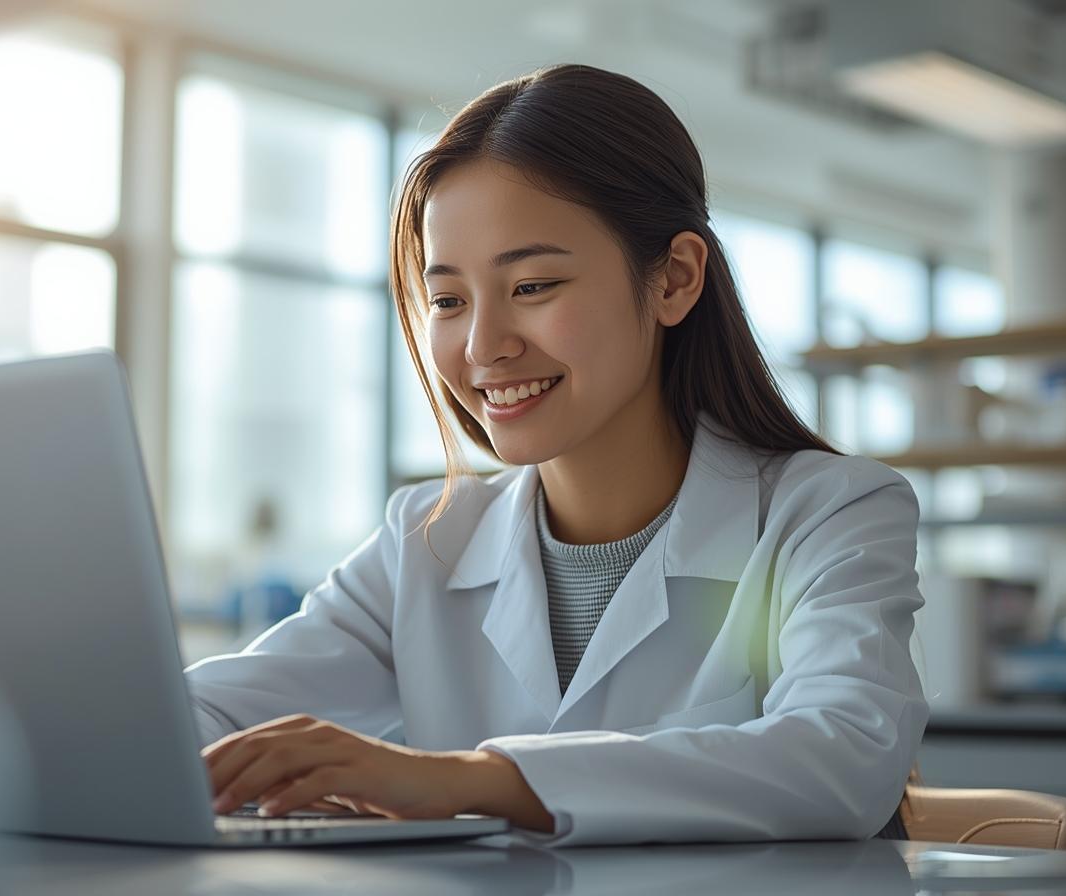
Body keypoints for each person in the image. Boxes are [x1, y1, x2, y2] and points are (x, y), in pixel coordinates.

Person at [185, 63, 925, 847]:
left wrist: (463, 781)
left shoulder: (829, 512)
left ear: (675, 280)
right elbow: (200, 717)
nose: (483, 346)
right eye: (448, 300)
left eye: (533, 286)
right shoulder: (426, 542)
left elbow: (843, 754)